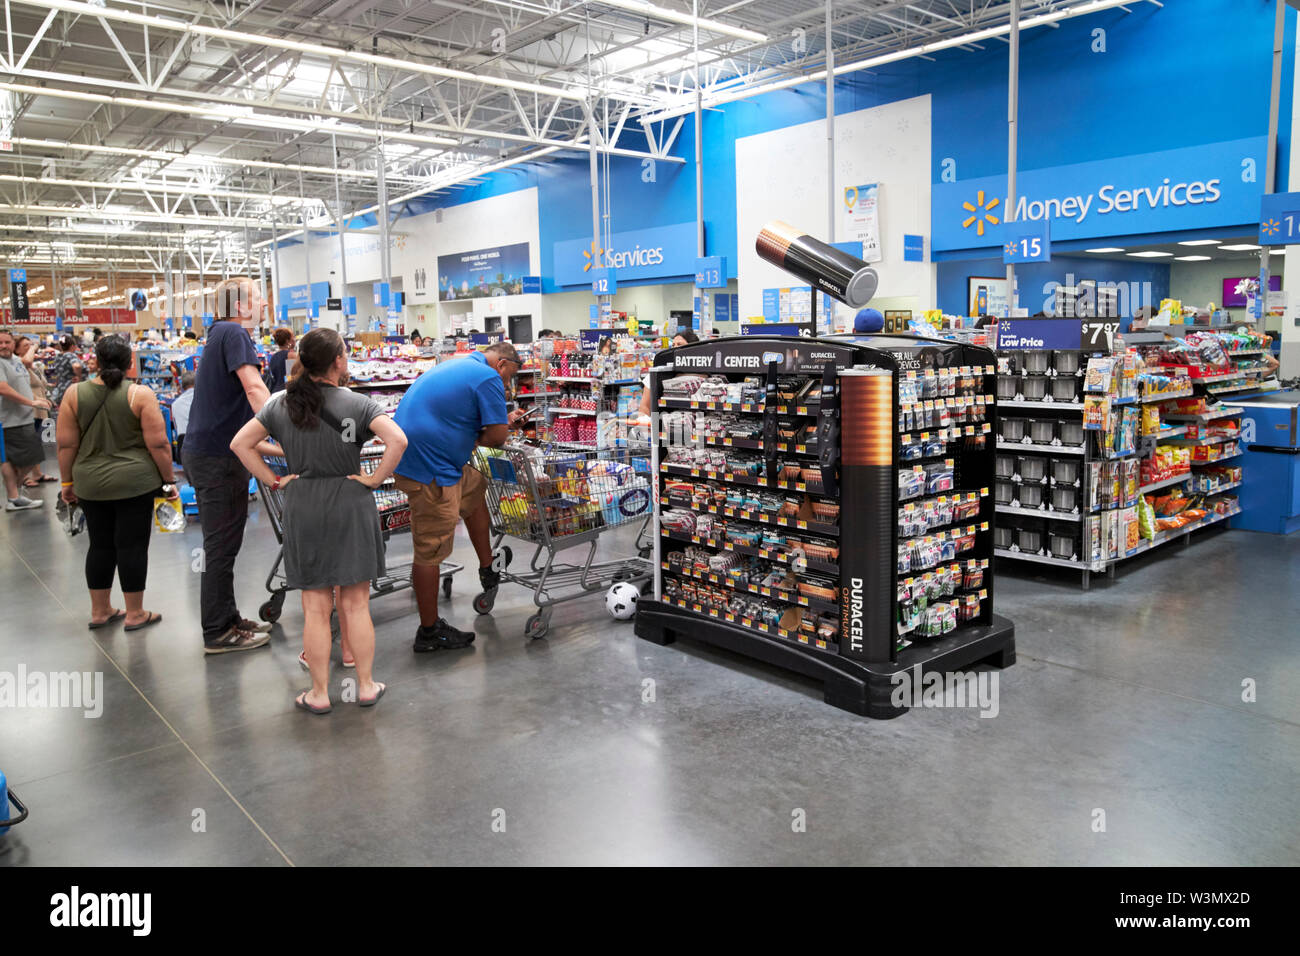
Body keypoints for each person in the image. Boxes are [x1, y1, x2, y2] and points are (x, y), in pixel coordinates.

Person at [231, 328, 405, 713]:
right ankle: (364, 685)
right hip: (350, 501)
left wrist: (274, 479)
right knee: (356, 603)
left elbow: (240, 443)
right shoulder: (359, 404)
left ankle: (320, 693)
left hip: (304, 503)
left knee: (314, 606)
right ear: (339, 361)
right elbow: (398, 441)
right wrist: (375, 479)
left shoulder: (280, 405)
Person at [392, 342, 528, 651]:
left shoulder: (460, 365)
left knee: (474, 485)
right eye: (511, 377)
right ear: (503, 365)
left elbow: (457, 419)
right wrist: (500, 428)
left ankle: (487, 566)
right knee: (430, 547)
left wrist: (497, 424)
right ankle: (428, 632)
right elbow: (495, 438)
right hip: (431, 469)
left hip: (420, 457)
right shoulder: (489, 377)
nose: (508, 384)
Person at [57, 335, 178, 630]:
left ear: (95, 361)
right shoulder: (140, 395)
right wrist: (169, 480)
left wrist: (66, 483)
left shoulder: (73, 394)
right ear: (130, 362)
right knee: (132, 546)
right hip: (135, 483)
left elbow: (65, 446)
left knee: (99, 545)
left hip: (89, 483)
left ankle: (100, 612)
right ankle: (135, 613)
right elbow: (160, 444)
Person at [183, 276, 274, 654]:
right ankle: (217, 631)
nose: (265, 304)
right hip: (216, 457)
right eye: (258, 298)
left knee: (227, 544)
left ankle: (229, 616)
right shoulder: (233, 333)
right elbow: (254, 389)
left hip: (219, 454)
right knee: (220, 547)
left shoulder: (222, 333)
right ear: (239, 305)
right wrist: (287, 427)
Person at [0, 330, 53, 511]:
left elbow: (22, 385)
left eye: (7, 342)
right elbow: (3, 389)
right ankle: (13, 495)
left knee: (21, 458)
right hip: (7, 420)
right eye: (0, 343)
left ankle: (13, 496)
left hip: (23, 418)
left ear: (13, 344)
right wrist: (32, 402)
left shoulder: (16, 361)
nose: (4, 346)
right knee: (21, 457)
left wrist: (40, 399)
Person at [14, 336, 56, 487]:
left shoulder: (34, 366)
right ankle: (22, 477)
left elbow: (42, 384)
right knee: (28, 444)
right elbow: (26, 361)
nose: (30, 347)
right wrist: (34, 347)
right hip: (28, 407)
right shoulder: (19, 363)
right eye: (25, 345)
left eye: (30, 345)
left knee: (37, 441)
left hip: (39, 407)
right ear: (16, 349)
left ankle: (37, 473)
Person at [637, 329, 699, 417]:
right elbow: (644, 408)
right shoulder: (657, 373)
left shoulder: (702, 372)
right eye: (673, 345)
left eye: (679, 344)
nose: (675, 348)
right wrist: (645, 425)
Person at [47, 335, 80, 409]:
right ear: (72, 346)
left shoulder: (57, 356)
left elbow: (55, 372)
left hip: (59, 390)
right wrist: (79, 376)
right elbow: (77, 366)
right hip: (71, 390)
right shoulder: (70, 355)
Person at [170, 371, 196, 462]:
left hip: (183, 450)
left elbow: (176, 428)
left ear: (182, 386)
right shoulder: (205, 399)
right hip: (203, 449)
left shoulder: (175, 405)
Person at [266, 327, 295, 393]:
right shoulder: (290, 355)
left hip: (274, 391)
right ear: (288, 341)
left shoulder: (273, 357)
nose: (294, 339)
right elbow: (290, 377)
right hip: (285, 391)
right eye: (293, 337)